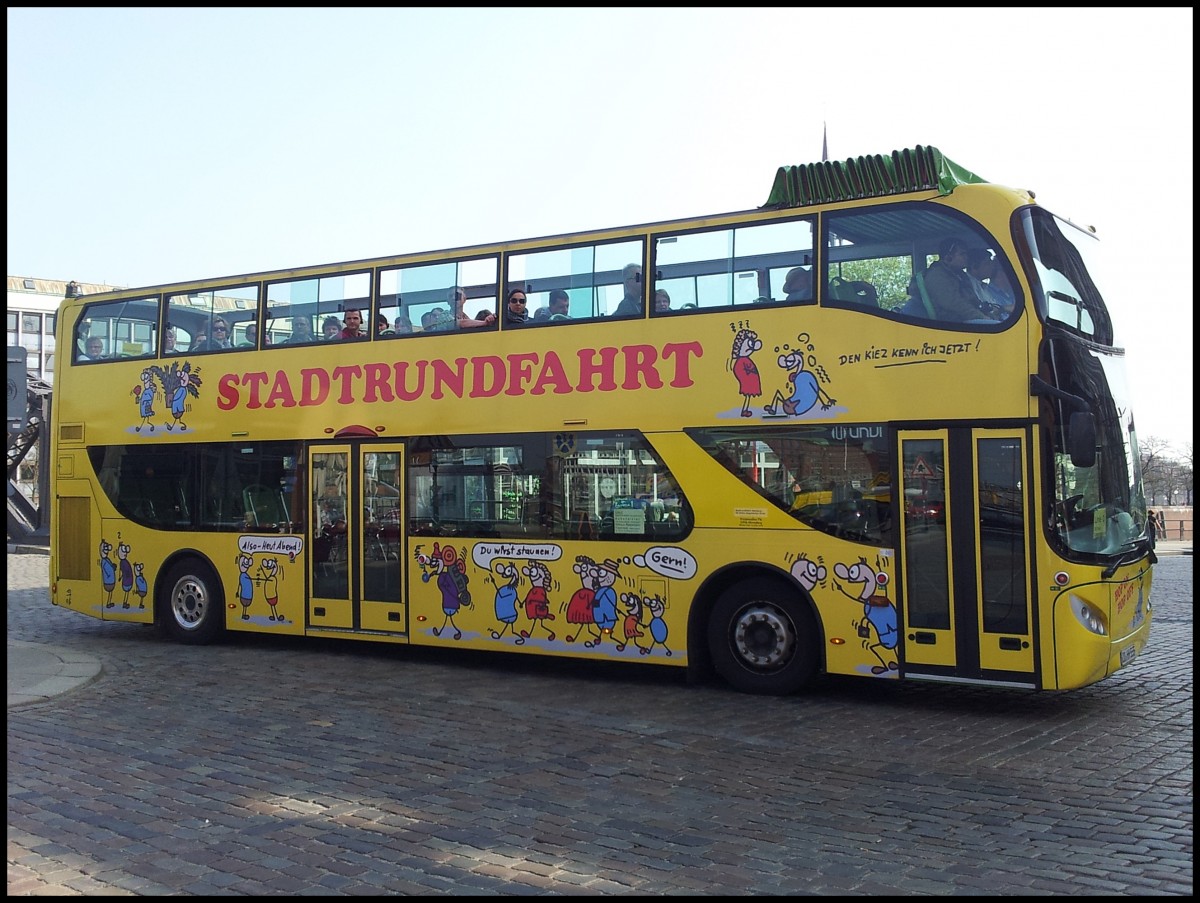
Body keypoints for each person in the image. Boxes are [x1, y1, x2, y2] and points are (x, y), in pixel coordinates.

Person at [918, 238, 997, 323]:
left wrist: (990, 315)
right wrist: (981, 316)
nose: (966, 257)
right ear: (948, 257)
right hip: (953, 322)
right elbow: (953, 304)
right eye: (962, 254)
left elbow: (974, 300)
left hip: (968, 318)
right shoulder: (936, 275)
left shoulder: (960, 275)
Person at [966, 248, 1015, 316]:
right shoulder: (968, 284)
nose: (992, 266)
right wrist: (1004, 308)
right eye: (987, 263)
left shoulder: (982, 286)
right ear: (974, 267)